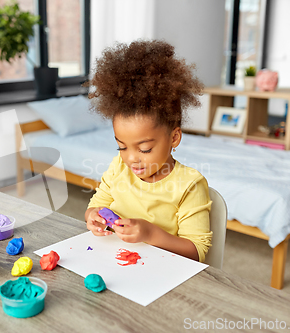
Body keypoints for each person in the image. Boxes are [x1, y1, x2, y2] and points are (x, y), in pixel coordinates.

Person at [84, 40, 212, 262]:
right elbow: (97, 204)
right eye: (121, 146)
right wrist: (92, 216)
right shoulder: (119, 167)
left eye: (145, 149)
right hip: (115, 262)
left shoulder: (189, 185)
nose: (131, 158)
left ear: (174, 137)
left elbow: (197, 251)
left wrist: (150, 233)